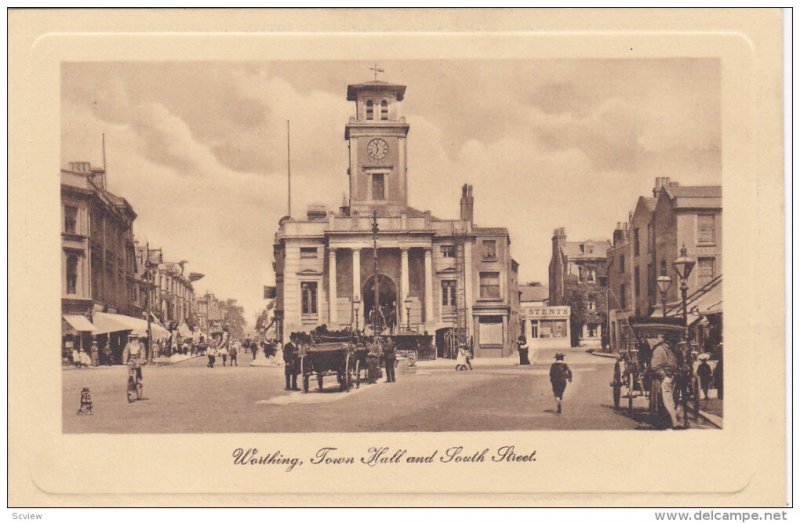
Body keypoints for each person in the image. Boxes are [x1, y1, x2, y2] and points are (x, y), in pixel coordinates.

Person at [651, 334, 686, 430]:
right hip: (665, 378)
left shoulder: (675, 350)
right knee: (668, 400)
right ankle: (675, 422)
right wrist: (664, 377)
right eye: (675, 342)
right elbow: (655, 366)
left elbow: (681, 363)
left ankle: (677, 419)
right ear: (669, 341)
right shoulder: (660, 350)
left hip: (674, 377)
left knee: (678, 399)